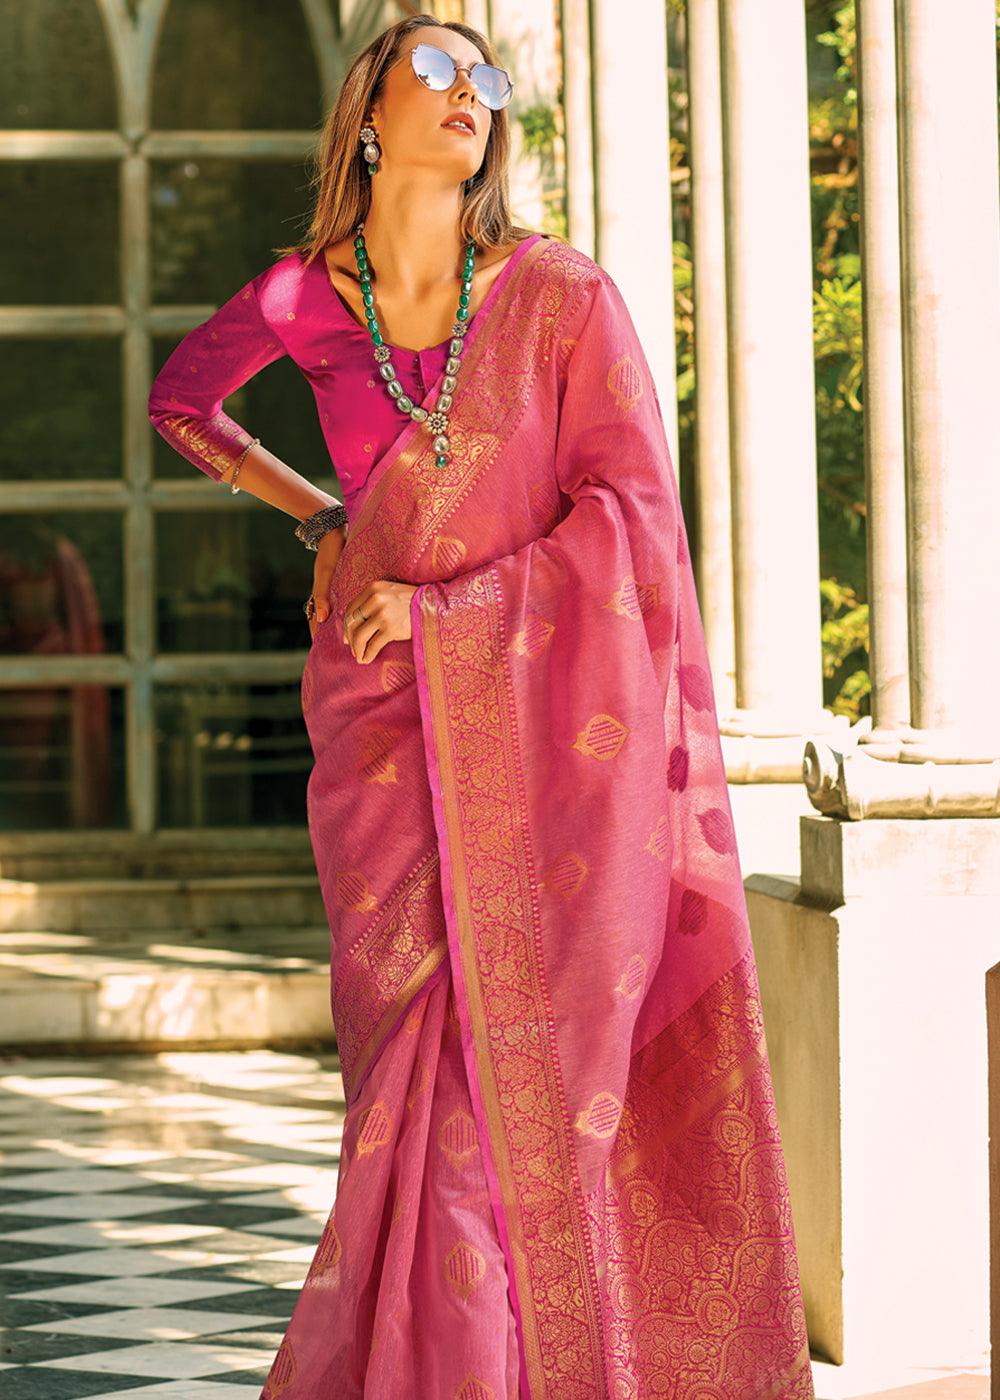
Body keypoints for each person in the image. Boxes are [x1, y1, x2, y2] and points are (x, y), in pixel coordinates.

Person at [147, 14, 815, 1399]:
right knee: (406, 1084)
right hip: (380, 723)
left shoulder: (556, 295)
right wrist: (324, 519)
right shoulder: (301, 298)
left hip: (537, 726)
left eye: (487, 79)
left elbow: (629, 516)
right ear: (369, 112)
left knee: (499, 1092)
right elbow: (184, 404)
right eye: (440, 70)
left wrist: (451, 612)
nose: (472, 94)